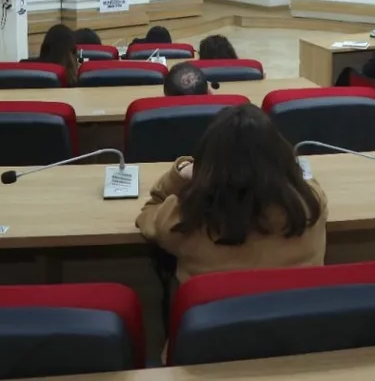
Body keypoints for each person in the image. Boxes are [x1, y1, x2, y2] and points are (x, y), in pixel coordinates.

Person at [135, 104, 327, 282]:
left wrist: (180, 173)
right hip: (299, 308)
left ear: (208, 163)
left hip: (213, 309)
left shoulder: (186, 220)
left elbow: (149, 212)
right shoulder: (312, 204)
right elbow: (300, 179)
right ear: (280, 152)